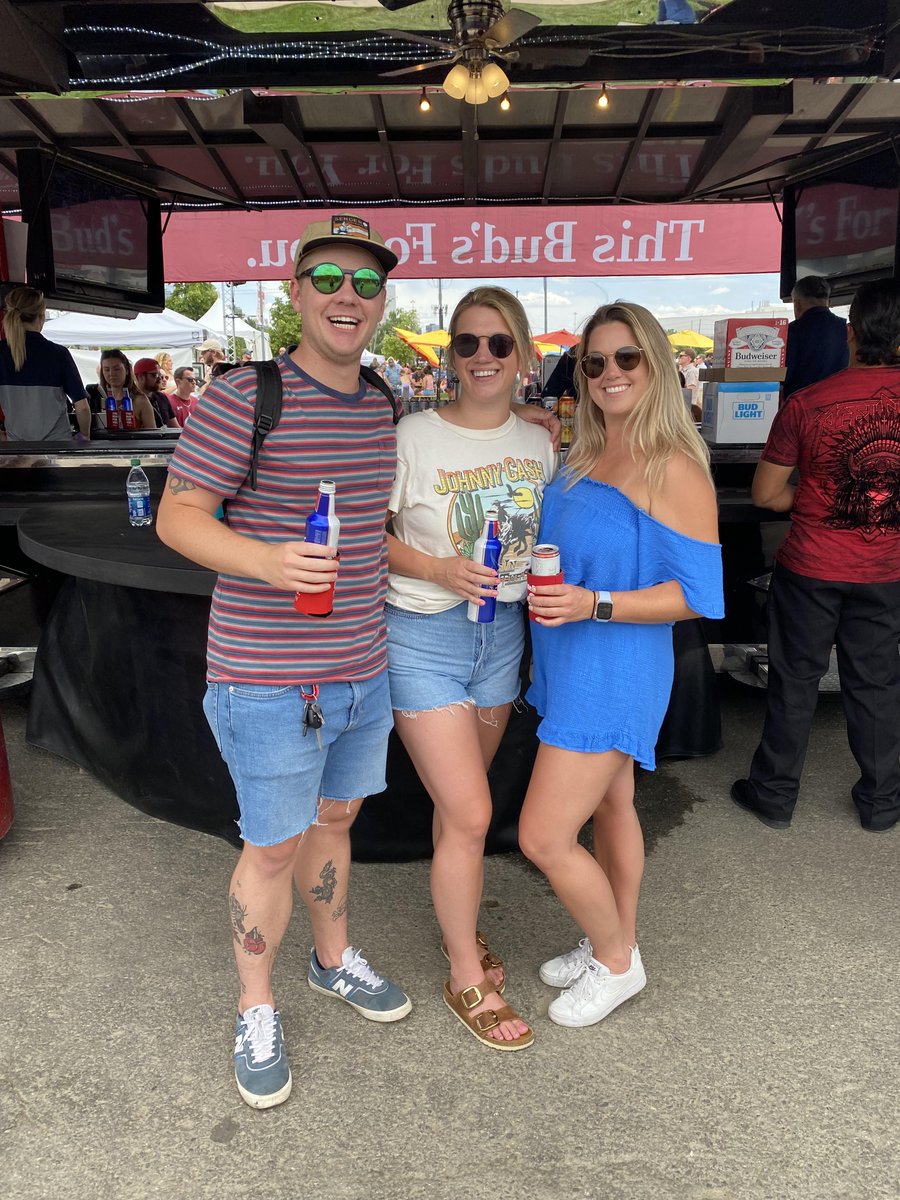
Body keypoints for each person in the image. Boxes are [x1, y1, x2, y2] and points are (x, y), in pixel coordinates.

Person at [156, 212, 415, 1111]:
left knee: (336, 823)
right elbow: (177, 516)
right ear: (295, 293)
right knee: (269, 849)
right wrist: (268, 560)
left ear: (383, 301)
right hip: (265, 678)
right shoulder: (244, 395)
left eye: (368, 283)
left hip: (360, 670)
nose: (350, 297)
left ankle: (332, 961)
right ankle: (254, 1006)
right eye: (331, 280)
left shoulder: (383, 400)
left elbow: (378, 535)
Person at [520, 301, 723, 1030]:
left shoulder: (672, 465)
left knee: (543, 836)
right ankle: (614, 935)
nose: (610, 373)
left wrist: (594, 604)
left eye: (627, 358)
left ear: (657, 364)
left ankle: (616, 961)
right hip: (569, 660)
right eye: (595, 361)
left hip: (616, 669)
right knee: (612, 807)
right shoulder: (584, 450)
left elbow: (700, 596)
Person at [385, 287, 556, 1051]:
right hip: (423, 634)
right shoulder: (412, 435)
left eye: (499, 344)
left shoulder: (541, 442)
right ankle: (463, 969)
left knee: (463, 809)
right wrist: (437, 567)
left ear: (523, 355)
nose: (482, 356)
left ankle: (460, 921)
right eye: (468, 343)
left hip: (503, 638)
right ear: (450, 354)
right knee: (474, 815)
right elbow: (364, 536)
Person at [731, 279, 900, 834]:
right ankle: (881, 803)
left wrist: (820, 498)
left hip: (811, 566)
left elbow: (766, 494)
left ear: (850, 337)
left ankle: (774, 795)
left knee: (794, 679)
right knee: (875, 684)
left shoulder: (806, 404)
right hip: (886, 571)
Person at [0, 285, 91, 441]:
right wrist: (85, 435)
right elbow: (81, 406)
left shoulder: (1, 353)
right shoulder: (58, 354)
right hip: (56, 446)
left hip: (16, 449)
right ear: (41, 317)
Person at [783, 275, 849, 401]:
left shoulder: (792, 331)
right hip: (838, 404)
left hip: (801, 407)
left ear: (797, 304)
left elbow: (785, 376)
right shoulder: (846, 329)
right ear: (829, 302)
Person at [87, 349, 157, 432]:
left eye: (116, 369)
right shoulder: (96, 400)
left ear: (126, 370)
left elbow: (153, 434)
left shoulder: (140, 400)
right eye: (107, 369)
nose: (111, 374)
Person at [133, 358, 179, 428]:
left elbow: (175, 427)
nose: (159, 379)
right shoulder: (131, 401)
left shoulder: (162, 397)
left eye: (159, 375)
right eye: (155, 375)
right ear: (140, 377)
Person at [677, 349, 701, 421]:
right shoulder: (683, 370)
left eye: (681, 356)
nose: (679, 358)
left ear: (689, 358)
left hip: (687, 407)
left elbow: (690, 390)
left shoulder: (692, 371)